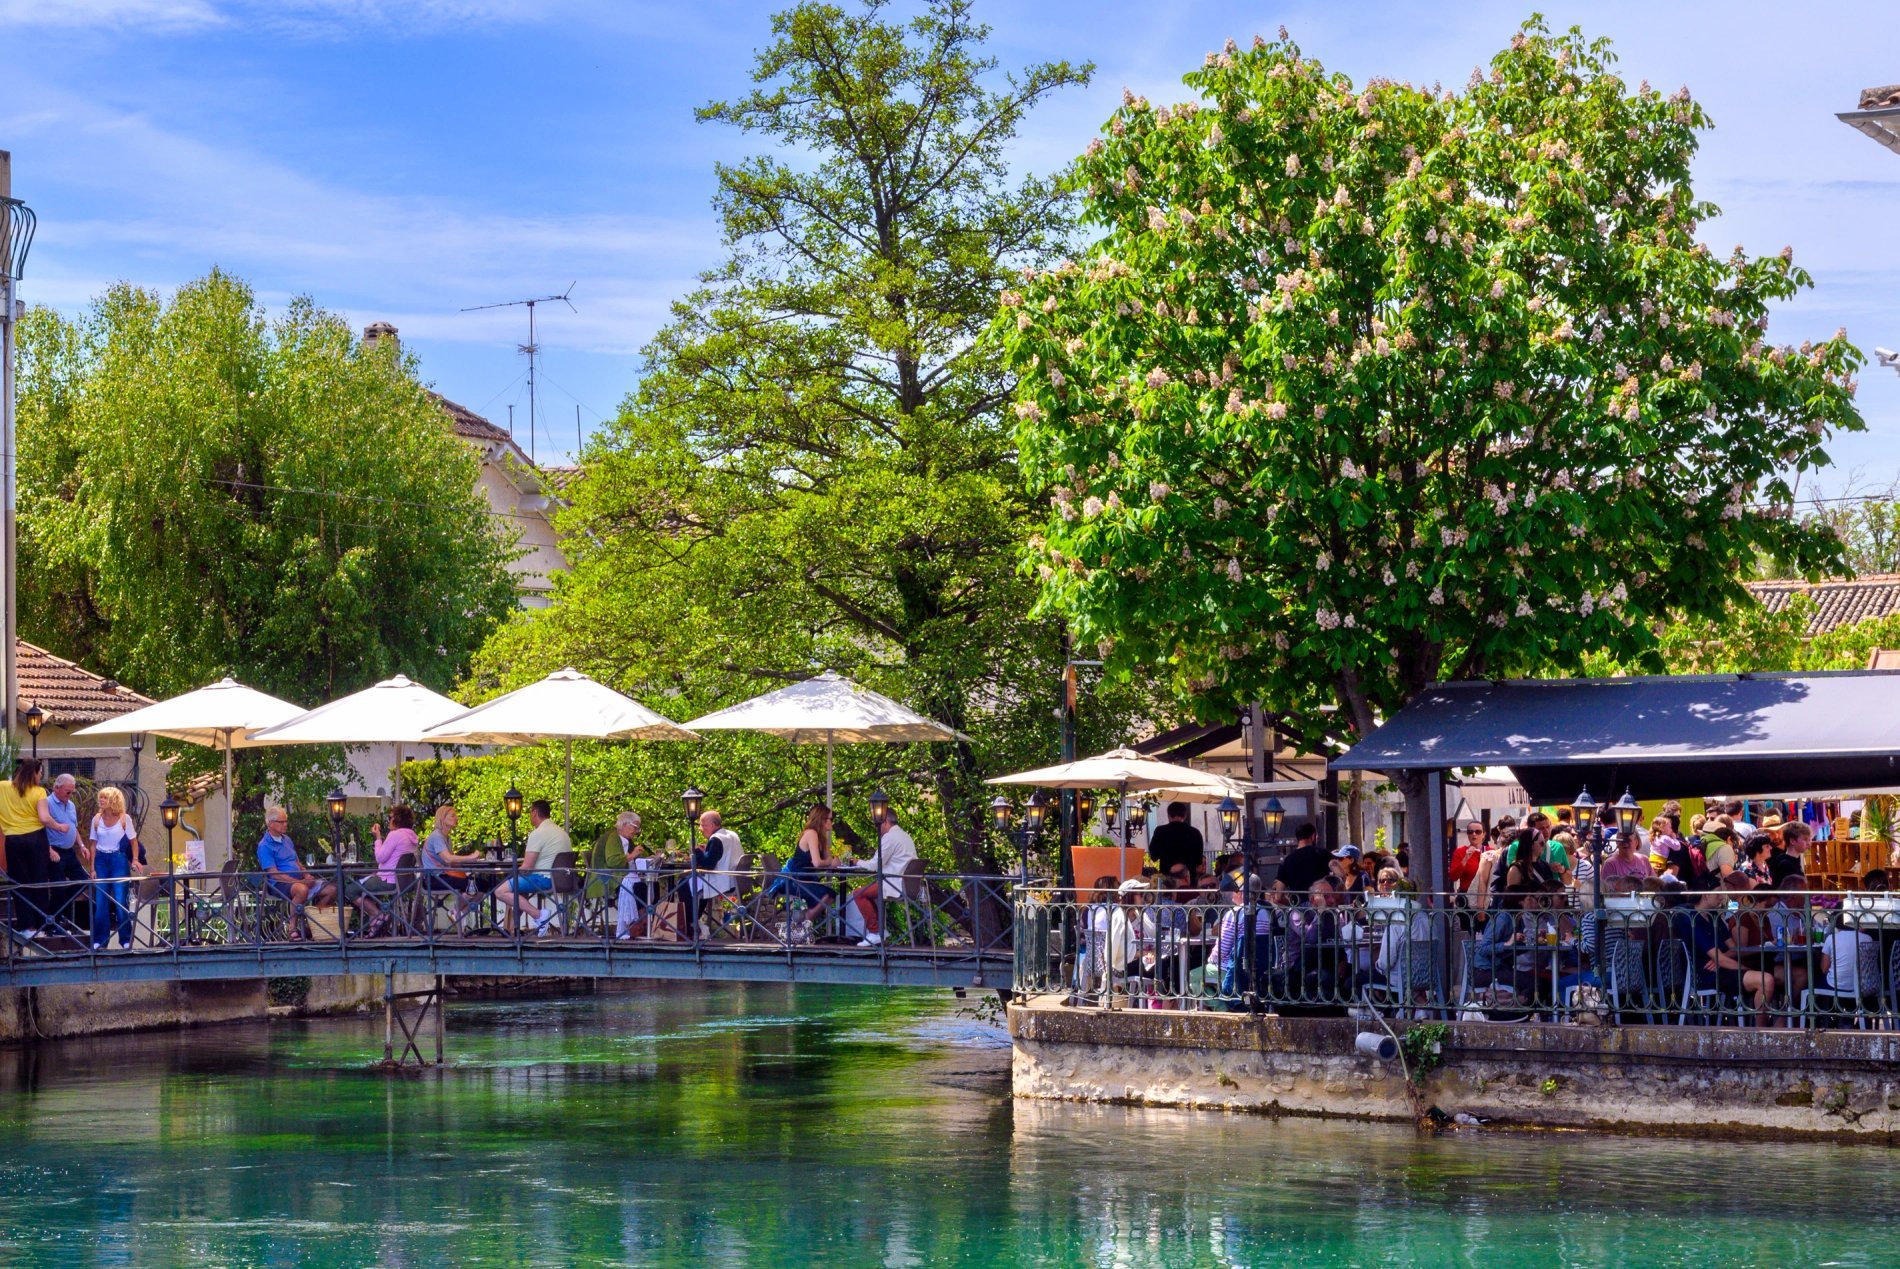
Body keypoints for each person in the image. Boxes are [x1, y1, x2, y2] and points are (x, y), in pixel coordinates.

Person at [0, 758, 60, 939]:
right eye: (40, 772)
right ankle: (42, 924)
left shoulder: (2, 786)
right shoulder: (39, 791)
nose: (41, 776)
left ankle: (27, 927)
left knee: (20, 883)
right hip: (35, 839)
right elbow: (44, 818)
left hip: (13, 840)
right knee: (39, 882)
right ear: (34, 772)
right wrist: (59, 826)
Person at [494, 800, 570, 936]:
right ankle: (513, 929)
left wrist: (513, 872)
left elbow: (527, 867)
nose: (530, 815)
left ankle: (539, 915)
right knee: (518, 888)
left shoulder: (538, 833)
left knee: (500, 891)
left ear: (534, 812)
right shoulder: (562, 833)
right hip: (563, 879)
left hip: (544, 879)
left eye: (530, 812)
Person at [850, 803, 918, 947]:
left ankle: (875, 932)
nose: (877, 827)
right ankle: (880, 931)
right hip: (907, 884)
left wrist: (856, 862)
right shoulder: (905, 836)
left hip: (894, 884)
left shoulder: (889, 838)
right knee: (868, 893)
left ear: (885, 821)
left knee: (858, 893)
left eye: (878, 823)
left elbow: (874, 865)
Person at [768, 805, 839, 940]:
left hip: (805, 879)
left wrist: (829, 859)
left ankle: (804, 925)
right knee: (828, 894)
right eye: (830, 819)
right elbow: (817, 863)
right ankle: (805, 923)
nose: (832, 822)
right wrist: (830, 862)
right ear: (821, 819)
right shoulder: (811, 833)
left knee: (830, 894)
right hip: (795, 880)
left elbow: (826, 858)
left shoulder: (821, 837)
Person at [88, 785, 143, 951]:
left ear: (113, 800)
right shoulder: (96, 819)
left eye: (105, 797)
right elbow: (93, 845)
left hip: (118, 859)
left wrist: (134, 859)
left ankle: (125, 940)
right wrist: (92, 868)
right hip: (101, 859)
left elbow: (133, 841)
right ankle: (100, 941)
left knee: (120, 900)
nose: (101, 800)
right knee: (101, 901)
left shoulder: (124, 819)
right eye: (101, 797)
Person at [421, 804, 489, 929]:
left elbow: (450, 862)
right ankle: (456, 911)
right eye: (452, 816)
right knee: (473, 886)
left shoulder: (447, 838)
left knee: (483, 885)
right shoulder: (437, 836)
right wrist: (470, 857)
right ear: (442, 818)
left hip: (444, 876)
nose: (456, 818)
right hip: (434, 879)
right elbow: (447, 858)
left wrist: (471, 862)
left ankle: (459, 912)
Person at [681, 810, 742, 936]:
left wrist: (697, 851)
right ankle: (695, 921)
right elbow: (719, 856)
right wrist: (705, 853)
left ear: (713, 825)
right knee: (695, 885)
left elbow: (708, 865)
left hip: (721, 882)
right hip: (735, 880)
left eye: (703, 825)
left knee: (683, 884)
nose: (700, 829)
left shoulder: (716, 839)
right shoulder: (731, 834)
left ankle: (690, 925)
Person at [43, 773, 87, 928]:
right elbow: (40, 829)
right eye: (68, 792)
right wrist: (49, 850)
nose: (70, 795)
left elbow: (73, 827)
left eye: (72, 792)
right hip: (55, 851)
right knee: (59, 888)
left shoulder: (71, 805)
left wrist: (82, 845)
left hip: (70, 852)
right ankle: (51, 921)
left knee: (83, 881)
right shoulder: (47, 803)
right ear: (57, 788)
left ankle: (58, 912)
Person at [607, 811, 657, 940]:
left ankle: (648, 924)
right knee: (640, 888)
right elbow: (612, 862)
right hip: (611, 879)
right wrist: (632, 855)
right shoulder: (612, 839)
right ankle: (638, 925)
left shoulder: (628, 841)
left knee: (654, 885)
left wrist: (649, 858)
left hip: (629, 877)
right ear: (624, 824)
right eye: (635, 827)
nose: (637, 831)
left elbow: (635, 859)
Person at [1147, 801, 1204, 877]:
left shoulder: (1160, 831)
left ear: (1169, 815)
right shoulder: (1195, 833)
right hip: (1188, 878)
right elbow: (1198, 861)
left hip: (1167, 878)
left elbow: (1154, 856)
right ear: (1185, 815)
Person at [1275, 822, 1328, 894]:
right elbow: (1338, 872)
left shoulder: (1287, 860)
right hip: (1319, 901)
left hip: (1298, 903)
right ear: (1313, 836)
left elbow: (1278, 896)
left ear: (1297, 838)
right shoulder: (1322, 853)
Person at [1768, 821, 1811, 888]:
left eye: (1809, 840)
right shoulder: (1785, 864)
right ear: (1792, 841)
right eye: (1805, 839)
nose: (1809, 843)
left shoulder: (1793, 860)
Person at [1450, 822, 1486, 893]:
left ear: (1484, 834)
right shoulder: (1460, 852)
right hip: (1466, 894)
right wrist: (1465, 859)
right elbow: (1453, 877)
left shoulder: (1490, 851)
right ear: (1467, 834)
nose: (1474, 834)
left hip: (1485, 895)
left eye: (1478, 832)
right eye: (1470, 832)